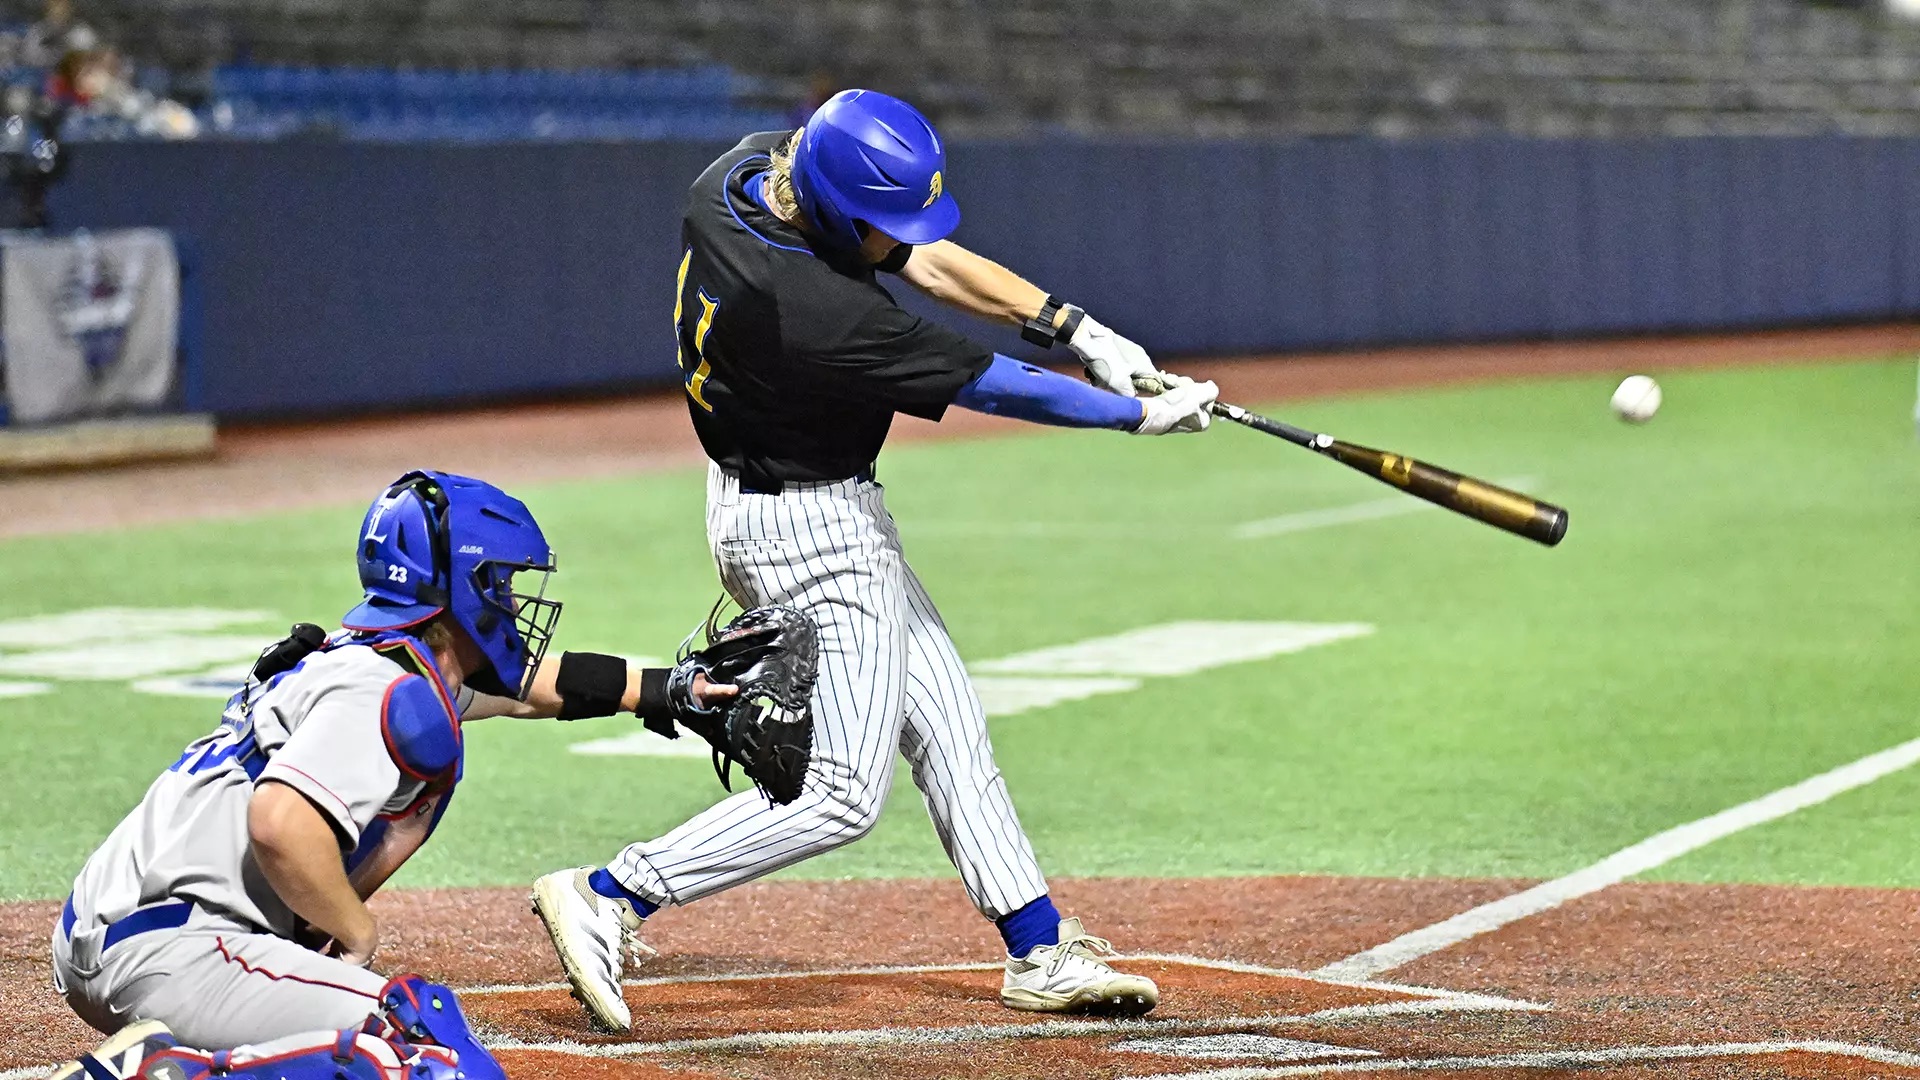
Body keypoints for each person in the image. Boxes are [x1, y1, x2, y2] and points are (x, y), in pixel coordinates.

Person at [531, 88, 1218, 1034]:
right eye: (880, 225)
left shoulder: (740, 175)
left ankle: (1039, 948)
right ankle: (612, 892)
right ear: (830, 204)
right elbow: (995, 385)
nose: (899, 242)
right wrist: (1139, 412)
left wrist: (1078, 330)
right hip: (812, 534)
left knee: (948, 725)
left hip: (781, 498)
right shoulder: (810, 311)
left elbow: (927, 256)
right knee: (843, 798)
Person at [50, 470, 736, 1079]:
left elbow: (534, 688)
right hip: (181, 952)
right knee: (423, 1051)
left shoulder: (375, 659)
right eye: (500, 581)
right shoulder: (384, 693)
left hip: (124, 931)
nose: (512, 601)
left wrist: (671, 688)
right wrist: (355, 930)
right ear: (460, 589)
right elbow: (280, 822)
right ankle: (157, 1075)